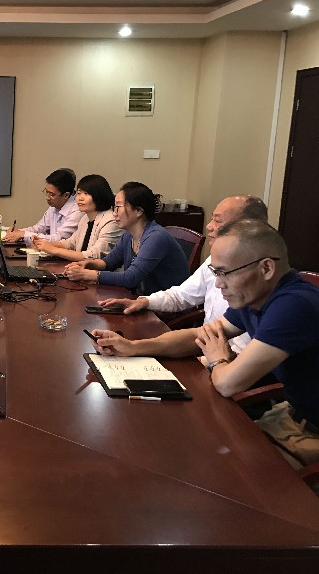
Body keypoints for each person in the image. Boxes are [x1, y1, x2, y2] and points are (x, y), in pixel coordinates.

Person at [91, 219, 319, 471]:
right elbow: (199, 335)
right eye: (215, 273)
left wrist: (218, 359)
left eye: (224, 273)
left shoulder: (293, 305)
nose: (218, 284)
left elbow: (228, 383)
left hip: (310, 433)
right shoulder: (257, 295)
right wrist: (134, 347)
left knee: (208, 467)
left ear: (266, 268)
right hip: (292, 415)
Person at [97, 195, 268, 354]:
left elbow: (238, 362)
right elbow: (184, 299)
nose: (209, 226)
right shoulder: (216, 259)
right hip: (208, 352)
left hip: (223, 363)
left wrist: (214, 361)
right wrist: (143, 304)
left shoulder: (261, 293)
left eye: (217, 221)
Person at [63, 181, 189, 295]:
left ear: (138, 211)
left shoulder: (156, 237)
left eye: (118, 207)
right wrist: (87, 264)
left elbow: (130, 278)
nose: (114, 213)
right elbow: (109, 263)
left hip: (162, 308)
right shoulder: (129, 235)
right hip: (141, 300)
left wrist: (86, 274)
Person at [31, 174, 122, 261]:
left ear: (99, 195)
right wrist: (44, 244)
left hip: (101, 271)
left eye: (86, 193)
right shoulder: (85, 218)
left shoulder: (111, 220)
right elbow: (70, 243)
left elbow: (95, 255)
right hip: (81, 269)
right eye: (79, 193)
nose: (80, 198)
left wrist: (53, 249)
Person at [1, 168, 81, 244]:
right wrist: (18, 232)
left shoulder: (77, 211)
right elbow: (39, 228)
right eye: (46, 192)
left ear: (66, 195)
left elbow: (58, 239)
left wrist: (24, 234)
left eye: (52, 195)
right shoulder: (54, 207)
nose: (47, 198)